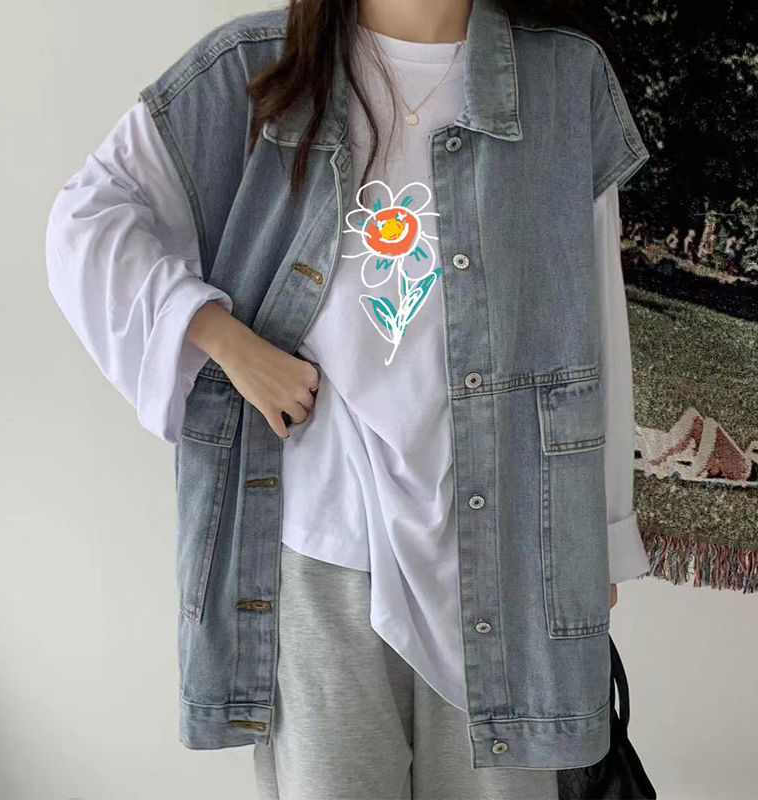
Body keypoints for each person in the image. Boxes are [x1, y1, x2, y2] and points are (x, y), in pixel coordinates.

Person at [45, 1, 652, 797]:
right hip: (316, 547)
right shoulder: (254, 68)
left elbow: (597, 325)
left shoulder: (564, 79)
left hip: (508, 551)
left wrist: (600, 537)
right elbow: (86, 223)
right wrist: (225, 339)